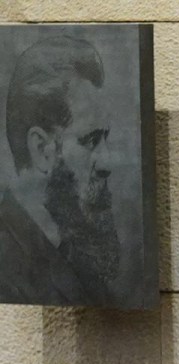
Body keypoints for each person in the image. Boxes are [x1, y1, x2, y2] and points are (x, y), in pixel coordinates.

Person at [0, 35, 119, 306]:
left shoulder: (76, 251)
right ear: (42, 150)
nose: (107, 162)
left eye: (107, 139)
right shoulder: (7, 268)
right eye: (90, 140)